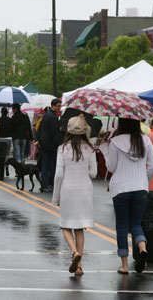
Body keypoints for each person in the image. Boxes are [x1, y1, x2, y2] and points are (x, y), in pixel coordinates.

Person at [103, 118, 153, 274]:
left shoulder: (115, 141)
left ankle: (125, 265)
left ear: (121, 124)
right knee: (136, 224)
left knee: (121, 225)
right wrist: (143, 180)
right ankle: (142, 249)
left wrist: (106, 150)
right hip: (140, 187)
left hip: (120, 188)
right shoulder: (145, 140)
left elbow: (112, 167)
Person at [52, 115, 97, 276]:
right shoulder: (90, 149)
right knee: (79, 228)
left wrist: (55, 197)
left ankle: (73, 252)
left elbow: (58, 175)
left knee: (65, 225)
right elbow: (94, 173)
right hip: (84, 189)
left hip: (67, 189)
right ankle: (79, 266)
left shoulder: (63, 148)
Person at [38, 99, 63, 192]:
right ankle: (50, 184)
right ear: (52, 105)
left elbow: (40, 129)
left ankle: (44, 184)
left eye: (60, 106)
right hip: (51, 145)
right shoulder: (53, 117)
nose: (59, 108)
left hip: (44, 144)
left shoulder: (46, 115)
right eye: (58, 106)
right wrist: (59, 143)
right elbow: (54, 133)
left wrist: (39, 140)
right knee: (52, 166)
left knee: (45, 166)